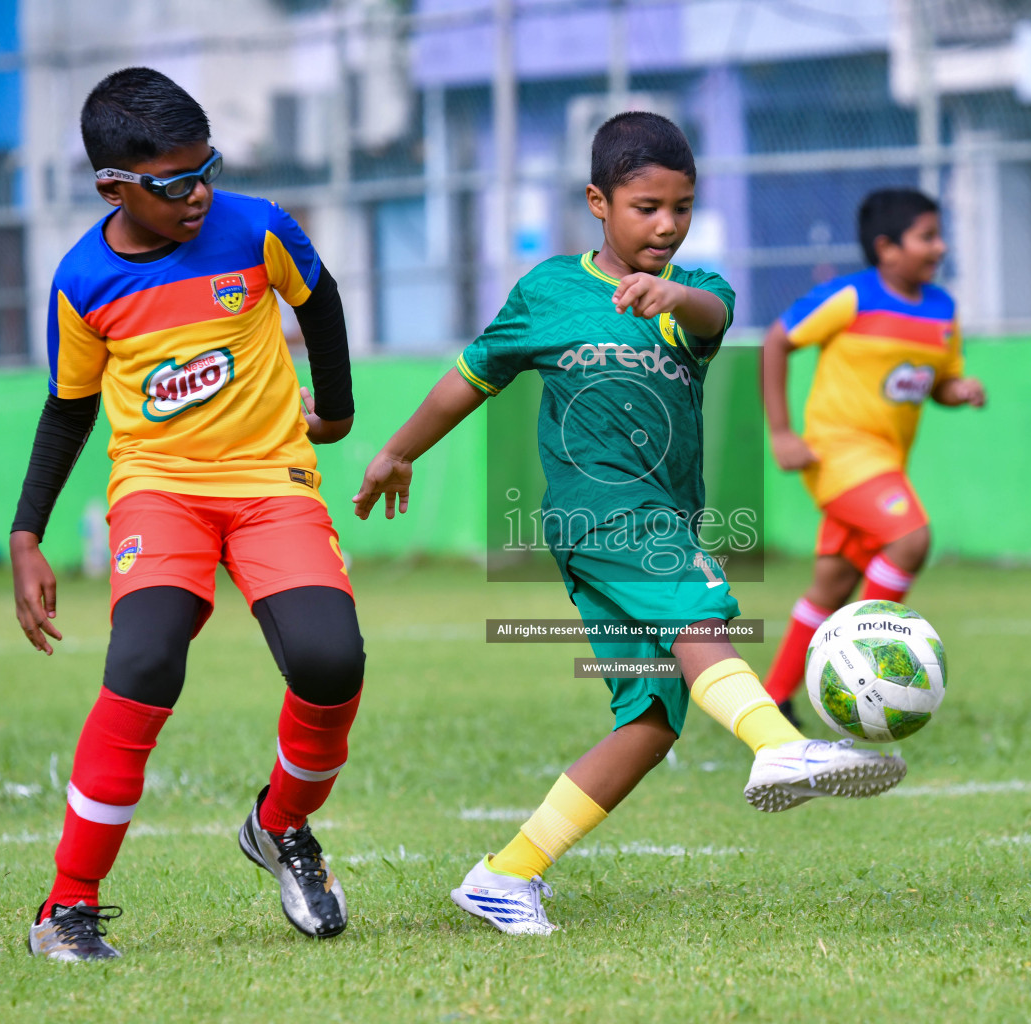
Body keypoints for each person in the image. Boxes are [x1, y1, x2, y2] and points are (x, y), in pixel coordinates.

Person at [352, 111, 906, 936]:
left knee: (650, 720)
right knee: (699, 613)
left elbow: (711, 319)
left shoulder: (701, 291)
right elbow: (470, 378)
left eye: (682, 207)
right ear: (598, 203)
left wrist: (673, 292)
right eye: (646, 207)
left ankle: (507, 875)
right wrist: (398, 452)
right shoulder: (547, 291)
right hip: (599, 511)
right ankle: (777, 743)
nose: (667, 224)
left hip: (661, 512)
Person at [11, 67, 365, 961]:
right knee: (144, 659)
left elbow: (318, 301)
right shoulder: (83, 280)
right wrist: (27, 536)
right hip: (159, 490)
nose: (198, 192)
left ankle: (281, 825)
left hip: (271, 482)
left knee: (331, 663)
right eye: (172, 183)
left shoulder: (256, 228)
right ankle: (67, 907)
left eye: (205, 168)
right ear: (112, 186)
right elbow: (68, 409)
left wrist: (340, 410)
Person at [759, 189, 985, 722]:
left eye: (939, 234)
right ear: (886, 247)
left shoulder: (943, 309)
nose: (940, 247)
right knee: (911, 538)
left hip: (885, 464)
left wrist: (961, 391)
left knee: (832, 584)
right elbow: (775, 341)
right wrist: (781, 432)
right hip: (837, 453)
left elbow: (937, 385)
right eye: (926, 237)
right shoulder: (850, 298)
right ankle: (868, 662)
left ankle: (772, 703)